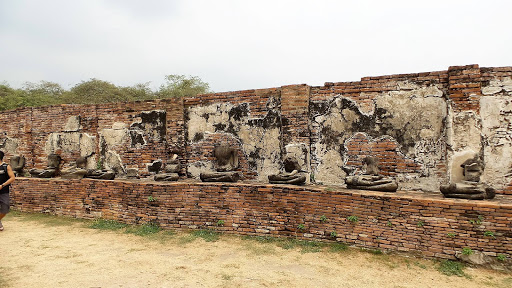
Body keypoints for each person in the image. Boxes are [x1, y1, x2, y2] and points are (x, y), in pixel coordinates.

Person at [0, 151, 16, 231]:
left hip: (3, 191)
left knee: (5, 208)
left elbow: (12, 178)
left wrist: (2, 185)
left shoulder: (6, 167)